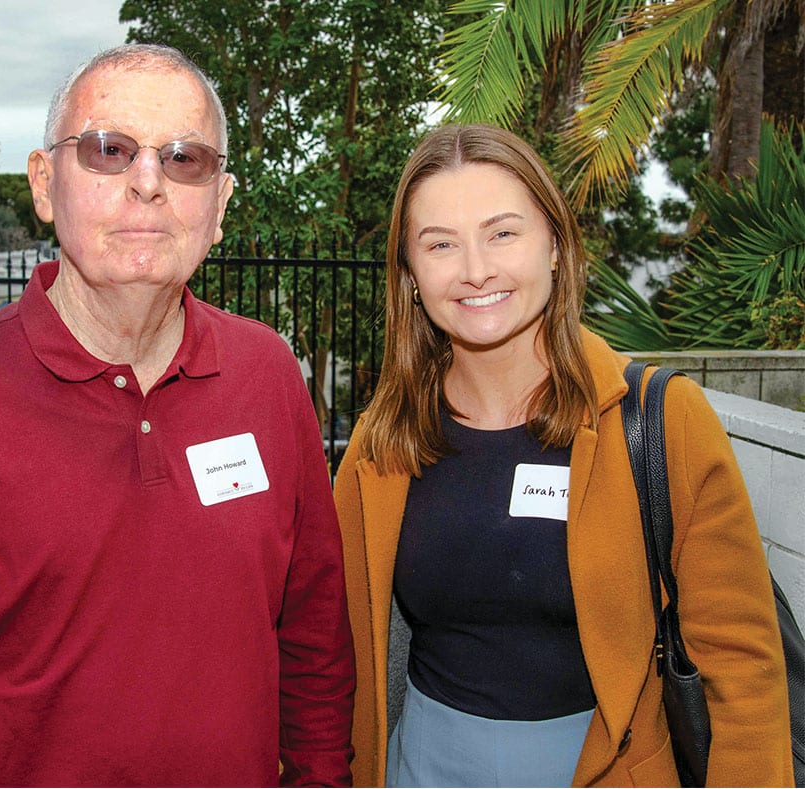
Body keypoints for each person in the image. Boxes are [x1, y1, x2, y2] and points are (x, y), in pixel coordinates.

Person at [0, 43, 354, 787]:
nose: (147, 182)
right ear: (45, 183)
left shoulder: (267, 374)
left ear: (220, 205)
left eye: (184, 159)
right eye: (109, 149)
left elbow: (316, 633)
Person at [333, 123, 793, 787]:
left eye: (503, 232)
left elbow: (745, 668)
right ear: (409, 274)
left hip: (609, 767)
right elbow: (334, 647)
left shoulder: (660, 420)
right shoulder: (383, 443)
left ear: (555, 244)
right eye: (440, 245)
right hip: (423, 767)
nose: (475, 269)